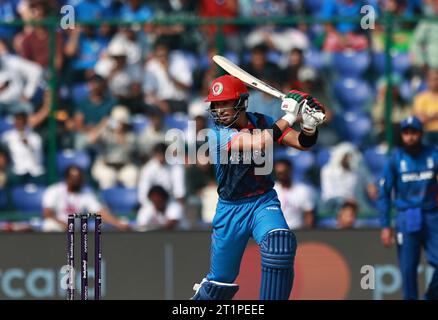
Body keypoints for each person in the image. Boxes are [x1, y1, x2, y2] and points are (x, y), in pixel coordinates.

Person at [191, 75, 325, 300]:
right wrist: (291, 115)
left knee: (279, 245)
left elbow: (302, 143)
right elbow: (259, 142)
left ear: (242, 102)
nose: (219, 109)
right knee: (219, 283)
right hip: (231, 209)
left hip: (263, 201)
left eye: (225, 102)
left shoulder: (263, 121)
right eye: (216, 104)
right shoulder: (216, 135)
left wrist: (309, 125)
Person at [378, 116, 438, 300]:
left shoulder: (433, 154)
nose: (410, 137)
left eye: (414, 133)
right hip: (406, 216)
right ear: (402, 135)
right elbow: (384, 194)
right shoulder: (395, 159)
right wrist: (386, 225)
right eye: (406, 133)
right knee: (408, 269)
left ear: (421, 134)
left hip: (431, 215)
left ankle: (430, 296)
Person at [42, 165, 129, 232]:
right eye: (74, 178)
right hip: (58, 228)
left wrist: (118, 224)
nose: (77, 181)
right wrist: (63, 225)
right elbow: (47, 214)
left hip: (76, 231)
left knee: (98, 224)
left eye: (79, 178)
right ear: (67, 179)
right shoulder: (54, 190)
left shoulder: (86, 193)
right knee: (49, 224)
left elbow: (100, 212)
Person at [273, 158, 316, 229]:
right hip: (277, 231)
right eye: (279, 173)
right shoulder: (272, 191)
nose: (282, 175)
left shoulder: (303, 190)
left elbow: (309, 215)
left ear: (290, 171)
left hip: (298, 231)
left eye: (285, 172)